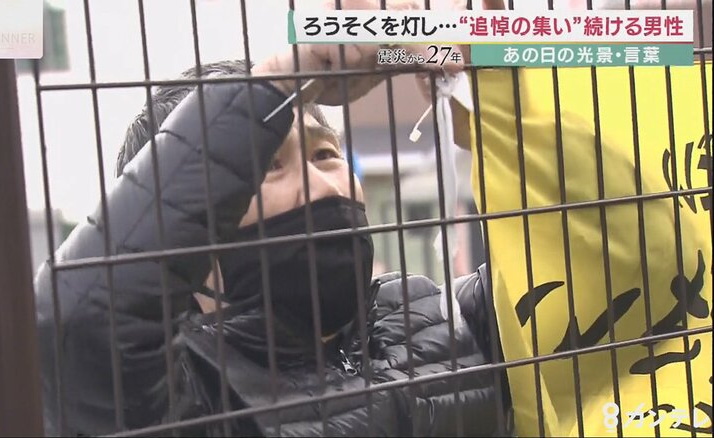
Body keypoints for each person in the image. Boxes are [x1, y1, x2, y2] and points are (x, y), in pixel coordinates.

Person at [35, 1, 513, 436]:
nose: (324, 187)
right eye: (269, 166)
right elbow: (80, 320)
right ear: (195, 219)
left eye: (325, 155)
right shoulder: (188, 394)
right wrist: (280, 78)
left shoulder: (446, 318)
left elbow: (555, 258)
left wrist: (500, 96)